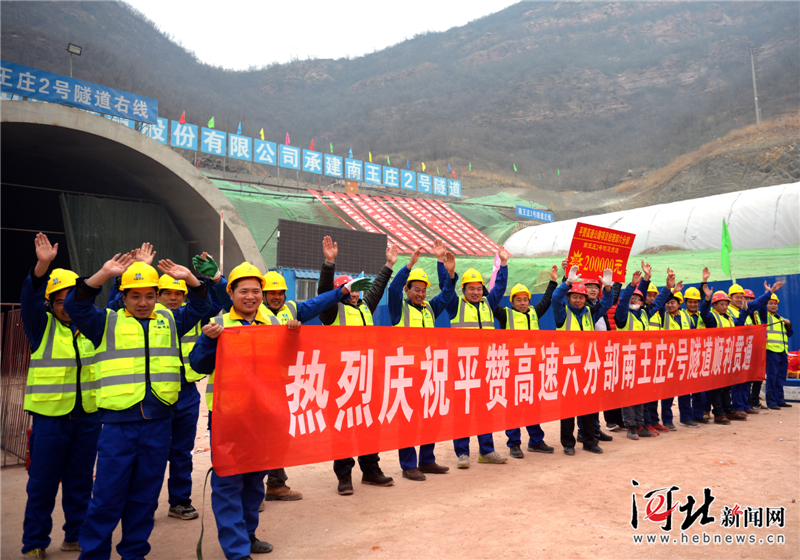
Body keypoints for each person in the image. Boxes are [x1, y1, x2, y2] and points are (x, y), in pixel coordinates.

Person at [190, 262, 361, 559]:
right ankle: (236, 549)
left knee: (255, 480)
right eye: (244, 291)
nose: (251, 296)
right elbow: (198, 366)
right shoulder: (218, 324)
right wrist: (207, 341)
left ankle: (249, 534)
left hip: (265, 415)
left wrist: (292, 336)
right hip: (229, 418)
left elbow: (289, 364)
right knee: (229, 481)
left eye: (256, 291)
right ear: (231, 293)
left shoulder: (272, 323)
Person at [64, 255, 210, 560]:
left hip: (158, 424)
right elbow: (76, 306)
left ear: (157, 296)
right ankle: (93, 555)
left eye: (149, 296)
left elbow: (201, 306)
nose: (143, 303)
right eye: (135, 296)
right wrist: (102, 274)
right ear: (124, 296)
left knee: (145, 499)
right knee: (106, 498)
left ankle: (134, 553)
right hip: (119, 427)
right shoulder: (105, 321)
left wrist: (193, 280)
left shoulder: (170, 320)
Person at [21, 234, 102, 559]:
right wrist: (43, 266)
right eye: (60, 301)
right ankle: (34, 543)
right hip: (50, 421)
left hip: (87, 419)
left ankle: (75, 535)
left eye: (73, 300)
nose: (67, 307)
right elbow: (29, 298)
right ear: (51, 305)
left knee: (81, 483)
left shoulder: (95, 329)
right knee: (41, 485)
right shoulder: (41, 327)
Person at [318, 236, 396, 495]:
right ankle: (344, 476)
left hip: (367, 376)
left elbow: (377, 289)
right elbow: (323, 294)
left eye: (356, 290)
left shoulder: (364, 307)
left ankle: (371, 470)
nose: (354, 294)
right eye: (348, 290)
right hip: (342, 379)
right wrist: (329, 264)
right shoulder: (331, 311)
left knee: (369, 426)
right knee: (342, 428)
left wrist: (388, 265)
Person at [387, 240, 456, 481]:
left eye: (424, 290)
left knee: (430, 418)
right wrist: (408, 266)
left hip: (429, 372)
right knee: (408, 420)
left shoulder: (430, 309)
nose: (421, 293)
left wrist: (443, 265)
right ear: (407, 290)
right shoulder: (399, 309)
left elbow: (447, 293)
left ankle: (427, 460)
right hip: (406, 373)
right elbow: (391, 290)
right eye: (416, 289)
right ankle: (408, 465)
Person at [448, 247, 511, 468]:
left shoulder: (487, 304)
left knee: (485, 410)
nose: (476, 292)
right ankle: (462, 453)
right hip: (463, 368)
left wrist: (503, 265)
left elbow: (500, 287)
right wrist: (448, 272)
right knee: (463, 411)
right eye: (471, 288)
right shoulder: (455, 305)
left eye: (478, 288)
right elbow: (447, 291)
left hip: (485, 366)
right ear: (463, 289)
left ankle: (486, 451)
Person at [493, 268, 558, 459]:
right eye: (518, 300)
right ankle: (514, 444)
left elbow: (547, 300)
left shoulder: (534, 313)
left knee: (533, 406)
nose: (523, 303)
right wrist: (500, 273)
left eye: (525, 300)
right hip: (513, 369)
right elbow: (491, 301)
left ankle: (536, 441)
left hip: (532, 368)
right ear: (512, 302)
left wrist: (553, 282)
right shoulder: (505, 315)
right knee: (513, 407)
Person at [552, 264, 614, 454]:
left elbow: (606, 303)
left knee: (589, 405)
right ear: (569, 298)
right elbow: (555, 298)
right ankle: (568, 444)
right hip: (568, 368)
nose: (578, 300)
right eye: (575, 297)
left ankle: (589, 441)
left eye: (581, 297)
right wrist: (567, 283)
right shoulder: (562, 314)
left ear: (586, 299)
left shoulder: (590, 314)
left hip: (587, 367)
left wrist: (609, 289)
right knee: (568, 409)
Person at [614, 262, 668, 440]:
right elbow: (623, 302)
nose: (635, 301)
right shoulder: (622, 316)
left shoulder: (645, 314)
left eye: (638, 299)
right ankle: (631, 426)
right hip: (627, 360)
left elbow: (659, 302)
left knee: (641, 393)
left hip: (643, 360)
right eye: (632, 299)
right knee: (629, 395)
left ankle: (640, 425)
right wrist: (633, 285)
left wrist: (666, 287)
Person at [757, 288, 792, 410]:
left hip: (782, 352)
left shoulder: (781, 318)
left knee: (781, 377)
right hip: (771, 351)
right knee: (772, 376)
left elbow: (789, 334)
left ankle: (780, 400)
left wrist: (788, 325)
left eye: (775, 303)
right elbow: (760, 307)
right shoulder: (765, 316)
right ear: (767, 304)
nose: (773, 305)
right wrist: (768, 293)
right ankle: (772, 402)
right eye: (771, 303)